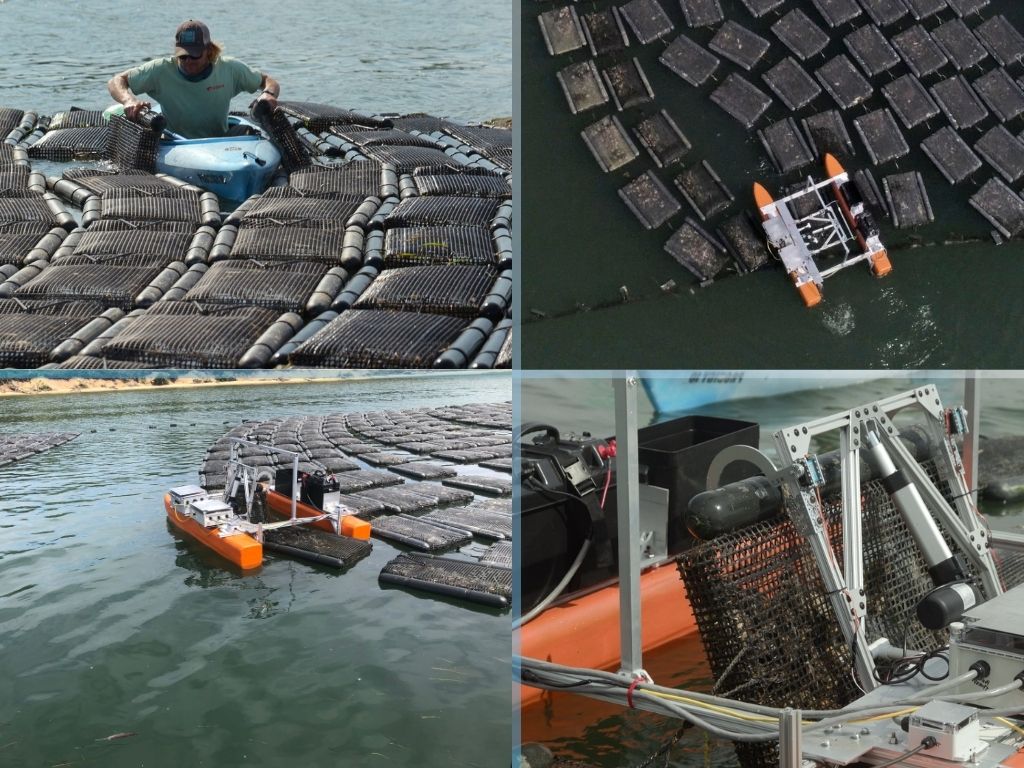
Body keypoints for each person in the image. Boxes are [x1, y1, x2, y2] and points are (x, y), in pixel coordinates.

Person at [107, 20, 280, 139]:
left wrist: (268, 94)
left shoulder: (230, 69)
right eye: (183, 56)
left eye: (195, 55)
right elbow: (116, 81)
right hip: (175, 143)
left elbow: (268, 81)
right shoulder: (160, 69)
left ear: (209, 50)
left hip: (220, 143)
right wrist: (128, 99)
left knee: (249, 132)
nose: (188, 61)